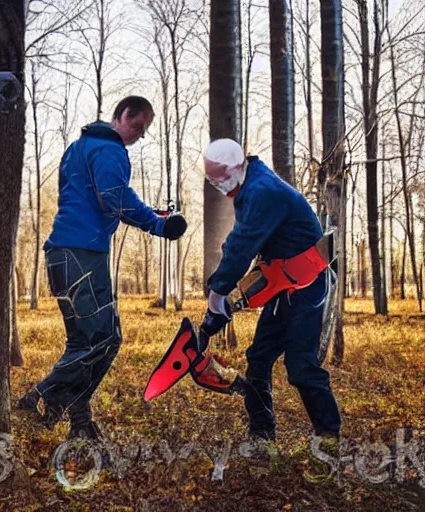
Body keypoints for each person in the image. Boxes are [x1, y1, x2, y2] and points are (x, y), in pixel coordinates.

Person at [18, 96, 187, 440]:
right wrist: (157, 225)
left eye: (145, 130)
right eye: (138, 126)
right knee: (102, 340)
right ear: (123, 115)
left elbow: (94, 198)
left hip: (66, 256)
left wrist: (153, 214)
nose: (140, 135)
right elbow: (113, 197)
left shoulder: (80, 147)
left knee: (91, 342)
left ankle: (80, 422)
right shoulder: (110, 150)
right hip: (81, 255)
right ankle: (38, 399)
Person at [200, 138, 341, 445]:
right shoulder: (250, 187)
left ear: (237, 168)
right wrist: (219, 313)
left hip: (308, 285)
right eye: (211, 179)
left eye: (220, 178)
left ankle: (329, 440)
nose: (217, 185)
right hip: (282, 285)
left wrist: (217, 293)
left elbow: (240, 247)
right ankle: (262, 435)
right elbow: (241, 241)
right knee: (259, 359)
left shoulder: (264, 191)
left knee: (301, 367)